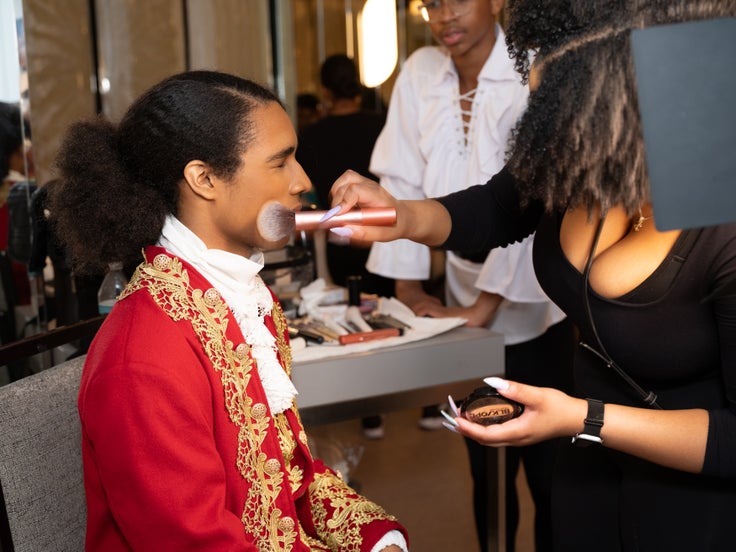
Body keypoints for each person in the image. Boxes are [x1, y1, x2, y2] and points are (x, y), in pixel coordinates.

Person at [325, 0, 736, 549]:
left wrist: (580, 419)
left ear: (625, 99)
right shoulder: (576, 154)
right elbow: (494, 209)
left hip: (693, 496)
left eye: (559, 105)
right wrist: (397, 215)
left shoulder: (721, 220)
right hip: (589, 469)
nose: (545, 124)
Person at [49, 70, 408, 552]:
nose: (303, 181)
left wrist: (377, 538)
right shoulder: (143, 356)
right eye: (280, 163)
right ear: (204, 178)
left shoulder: (239, 300)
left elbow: (289, 473)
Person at [364, 0, 573, 548]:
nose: (443, 16)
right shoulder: (419, 73)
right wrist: (409, 290)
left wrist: (483, 309)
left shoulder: (534, 64)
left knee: (551, 473)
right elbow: (400, 179)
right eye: (430, 3)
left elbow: (528, 200)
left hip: (535, 303)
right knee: (485, 463)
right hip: (458, 297)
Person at [296, 54, 395, 440]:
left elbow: (310, 189)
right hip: (385, 230)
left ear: (324, 90)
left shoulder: (314, 136)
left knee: (353, 314)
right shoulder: (381, 124)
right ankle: (410, 395)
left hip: (338, 233)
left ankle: (370, 411)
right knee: (388, 309)